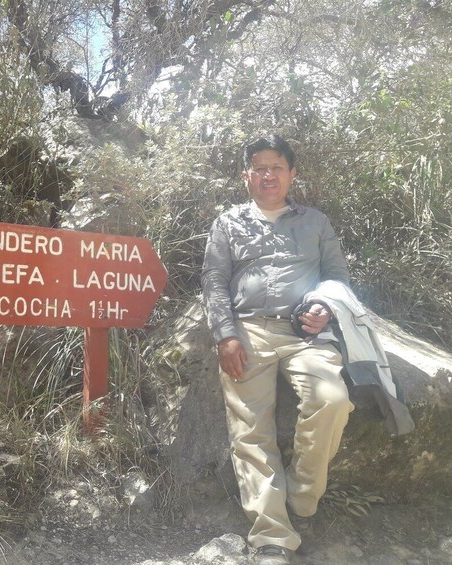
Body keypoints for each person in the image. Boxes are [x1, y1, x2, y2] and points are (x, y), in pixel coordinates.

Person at [201, 135, 354, 565]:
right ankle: (272, 537)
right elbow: (214, 281)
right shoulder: (229, 223)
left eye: (277, 167)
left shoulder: (315, 222)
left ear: (291, 174)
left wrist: (325, 306)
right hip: (248, 330)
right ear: (245, 175)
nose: (268, 175)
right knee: (250, 430)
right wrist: (225, 335)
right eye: (259, 167)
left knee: (333, 401)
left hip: (305, 332)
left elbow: (337, 276)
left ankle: (302, 503)